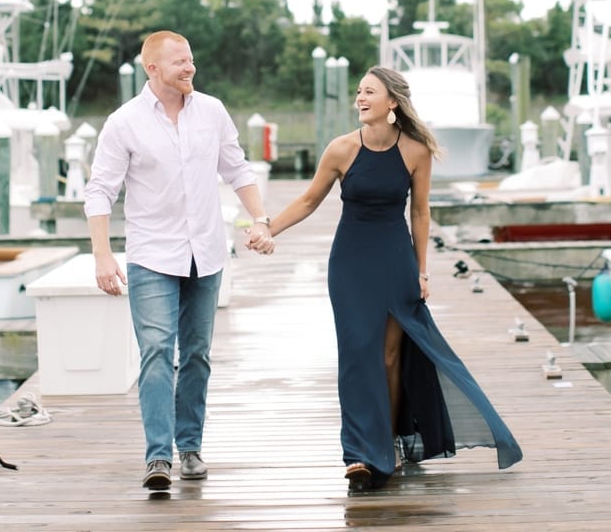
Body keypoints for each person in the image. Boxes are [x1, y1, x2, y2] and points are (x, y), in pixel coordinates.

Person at [246, 65, 522, 490]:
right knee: (357, 355)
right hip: (350, 264)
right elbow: (307, 200)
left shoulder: (415, 151)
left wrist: (422, 270)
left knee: (390, 358)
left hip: (395, 261)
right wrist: (267, 227)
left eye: (369, 92)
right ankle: (360, 454)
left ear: (392, 102)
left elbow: (421, 212)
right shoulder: (340, 149)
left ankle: (388, 441)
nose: (360, 98)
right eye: (358, 91)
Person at [85, 30, 274, 493]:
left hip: (205, 253)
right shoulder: (124, 122)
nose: (189, 68)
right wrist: (102, 255)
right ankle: (158, 457)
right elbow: (100, 190)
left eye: (191, 60)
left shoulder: (211, 111)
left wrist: (261, 219)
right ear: (152, 69)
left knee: (195, 355)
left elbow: (237, 169)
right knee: (155, 352)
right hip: (151, 255)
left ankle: (189, 447)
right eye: (179, 62)